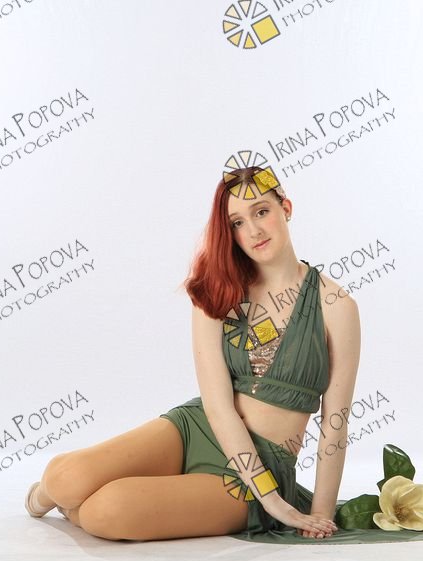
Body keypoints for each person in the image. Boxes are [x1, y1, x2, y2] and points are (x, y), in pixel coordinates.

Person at [24, 166, 361, 541]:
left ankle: (86, 505)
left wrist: (314, 512)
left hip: (254, 474)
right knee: (66, 478)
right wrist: (274, 503)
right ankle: (47, 494)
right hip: (197, 427)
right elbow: (218, 407)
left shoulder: (336, 305)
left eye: (262, 211)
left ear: (286, 208)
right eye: (237, 222)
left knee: (107, 511)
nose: (253, 230)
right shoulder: (218, 291)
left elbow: (335, 422)